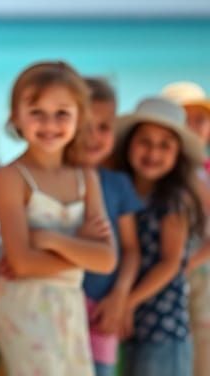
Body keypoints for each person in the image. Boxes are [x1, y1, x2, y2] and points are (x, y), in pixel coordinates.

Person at [0, 61, 116, 376]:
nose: (50, 124)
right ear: (16, 116)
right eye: (37, 112)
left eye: (62, 113)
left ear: (80, 117)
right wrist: (83, 248)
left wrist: (52, 240)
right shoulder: (11, 177)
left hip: (71, 306)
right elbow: (22, 264)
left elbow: (107, 260)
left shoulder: (86, 178)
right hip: (26, 307)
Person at [113, 97, 209, 376]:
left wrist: (126, 303)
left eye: (165, 145)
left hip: (162, 326)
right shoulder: (123, 191)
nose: (153, 152)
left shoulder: (173, 199)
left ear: (178, 154)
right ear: (129, 144)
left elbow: (171, 263)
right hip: (131, 323)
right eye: (145, 142)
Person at [80, 77, 144, 376]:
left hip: (103, 308)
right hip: (58, 305)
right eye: (85, 126)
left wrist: (120, 297)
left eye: (103, 127)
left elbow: (130, 250)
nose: (93, 136)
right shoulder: (54, 180)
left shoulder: (118, 184)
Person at [162, 81, 210, 375]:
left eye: (200, 119)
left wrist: (188, 263)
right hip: (174, 273)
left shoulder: (202, 174)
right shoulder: (167, 173)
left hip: (199, 272)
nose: (193, 127)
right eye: (184, 119)